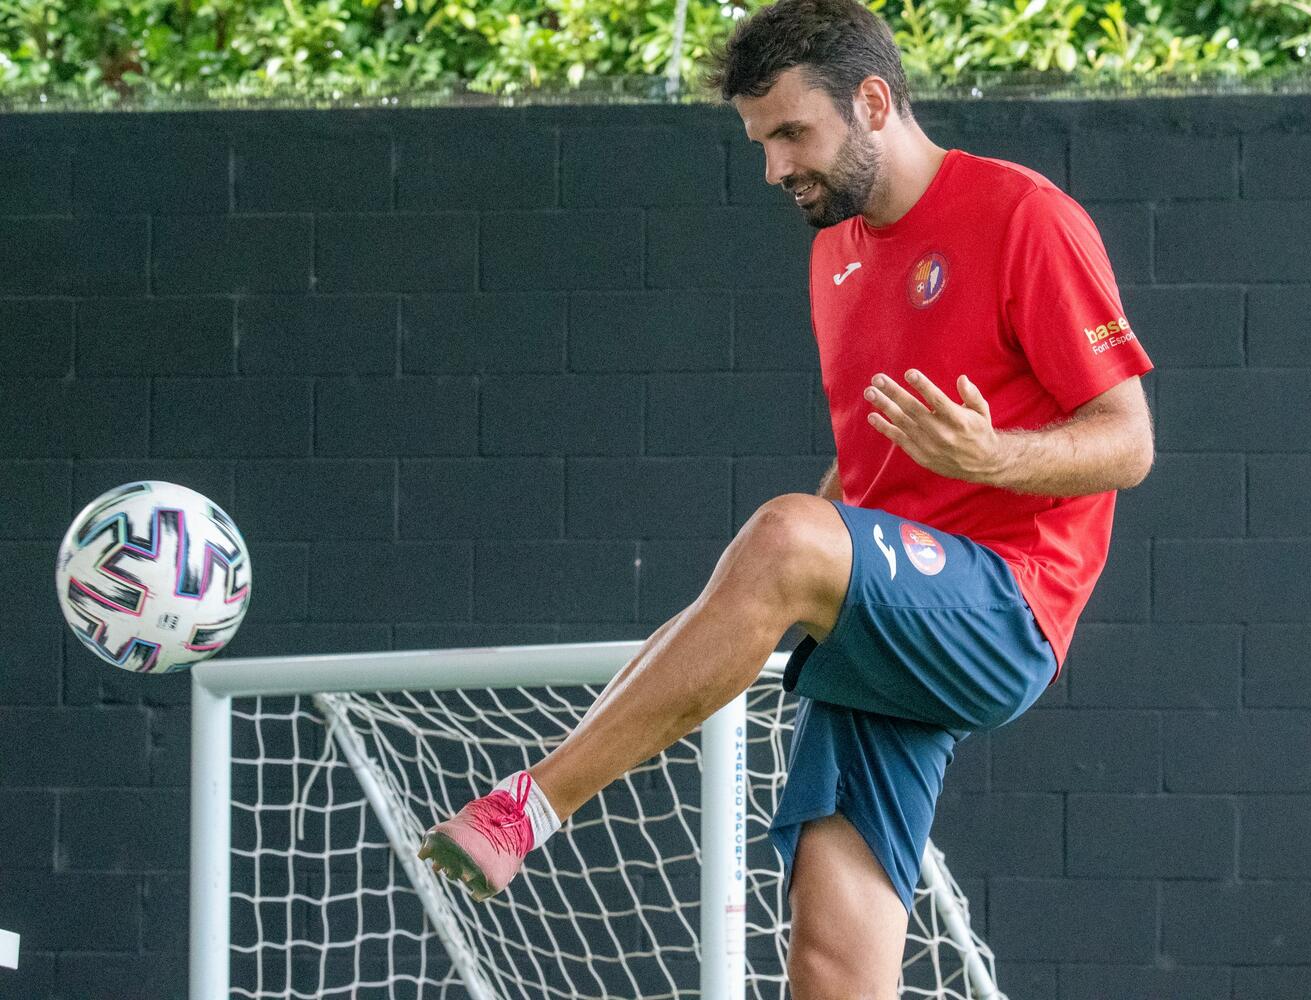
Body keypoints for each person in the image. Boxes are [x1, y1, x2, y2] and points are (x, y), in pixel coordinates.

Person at [419, 0, 1156, 993]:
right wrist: (763, 592)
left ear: (874, 102)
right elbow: (865, 473)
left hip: (1005, 603)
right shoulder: (836, 253)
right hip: (892, 620)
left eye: (793, 134)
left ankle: (527, 808)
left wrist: (989, 457)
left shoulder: (1024, 215)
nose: (774, 167)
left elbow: (1129, 442)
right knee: (830, 959)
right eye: (761, 141)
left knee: (784, 535)